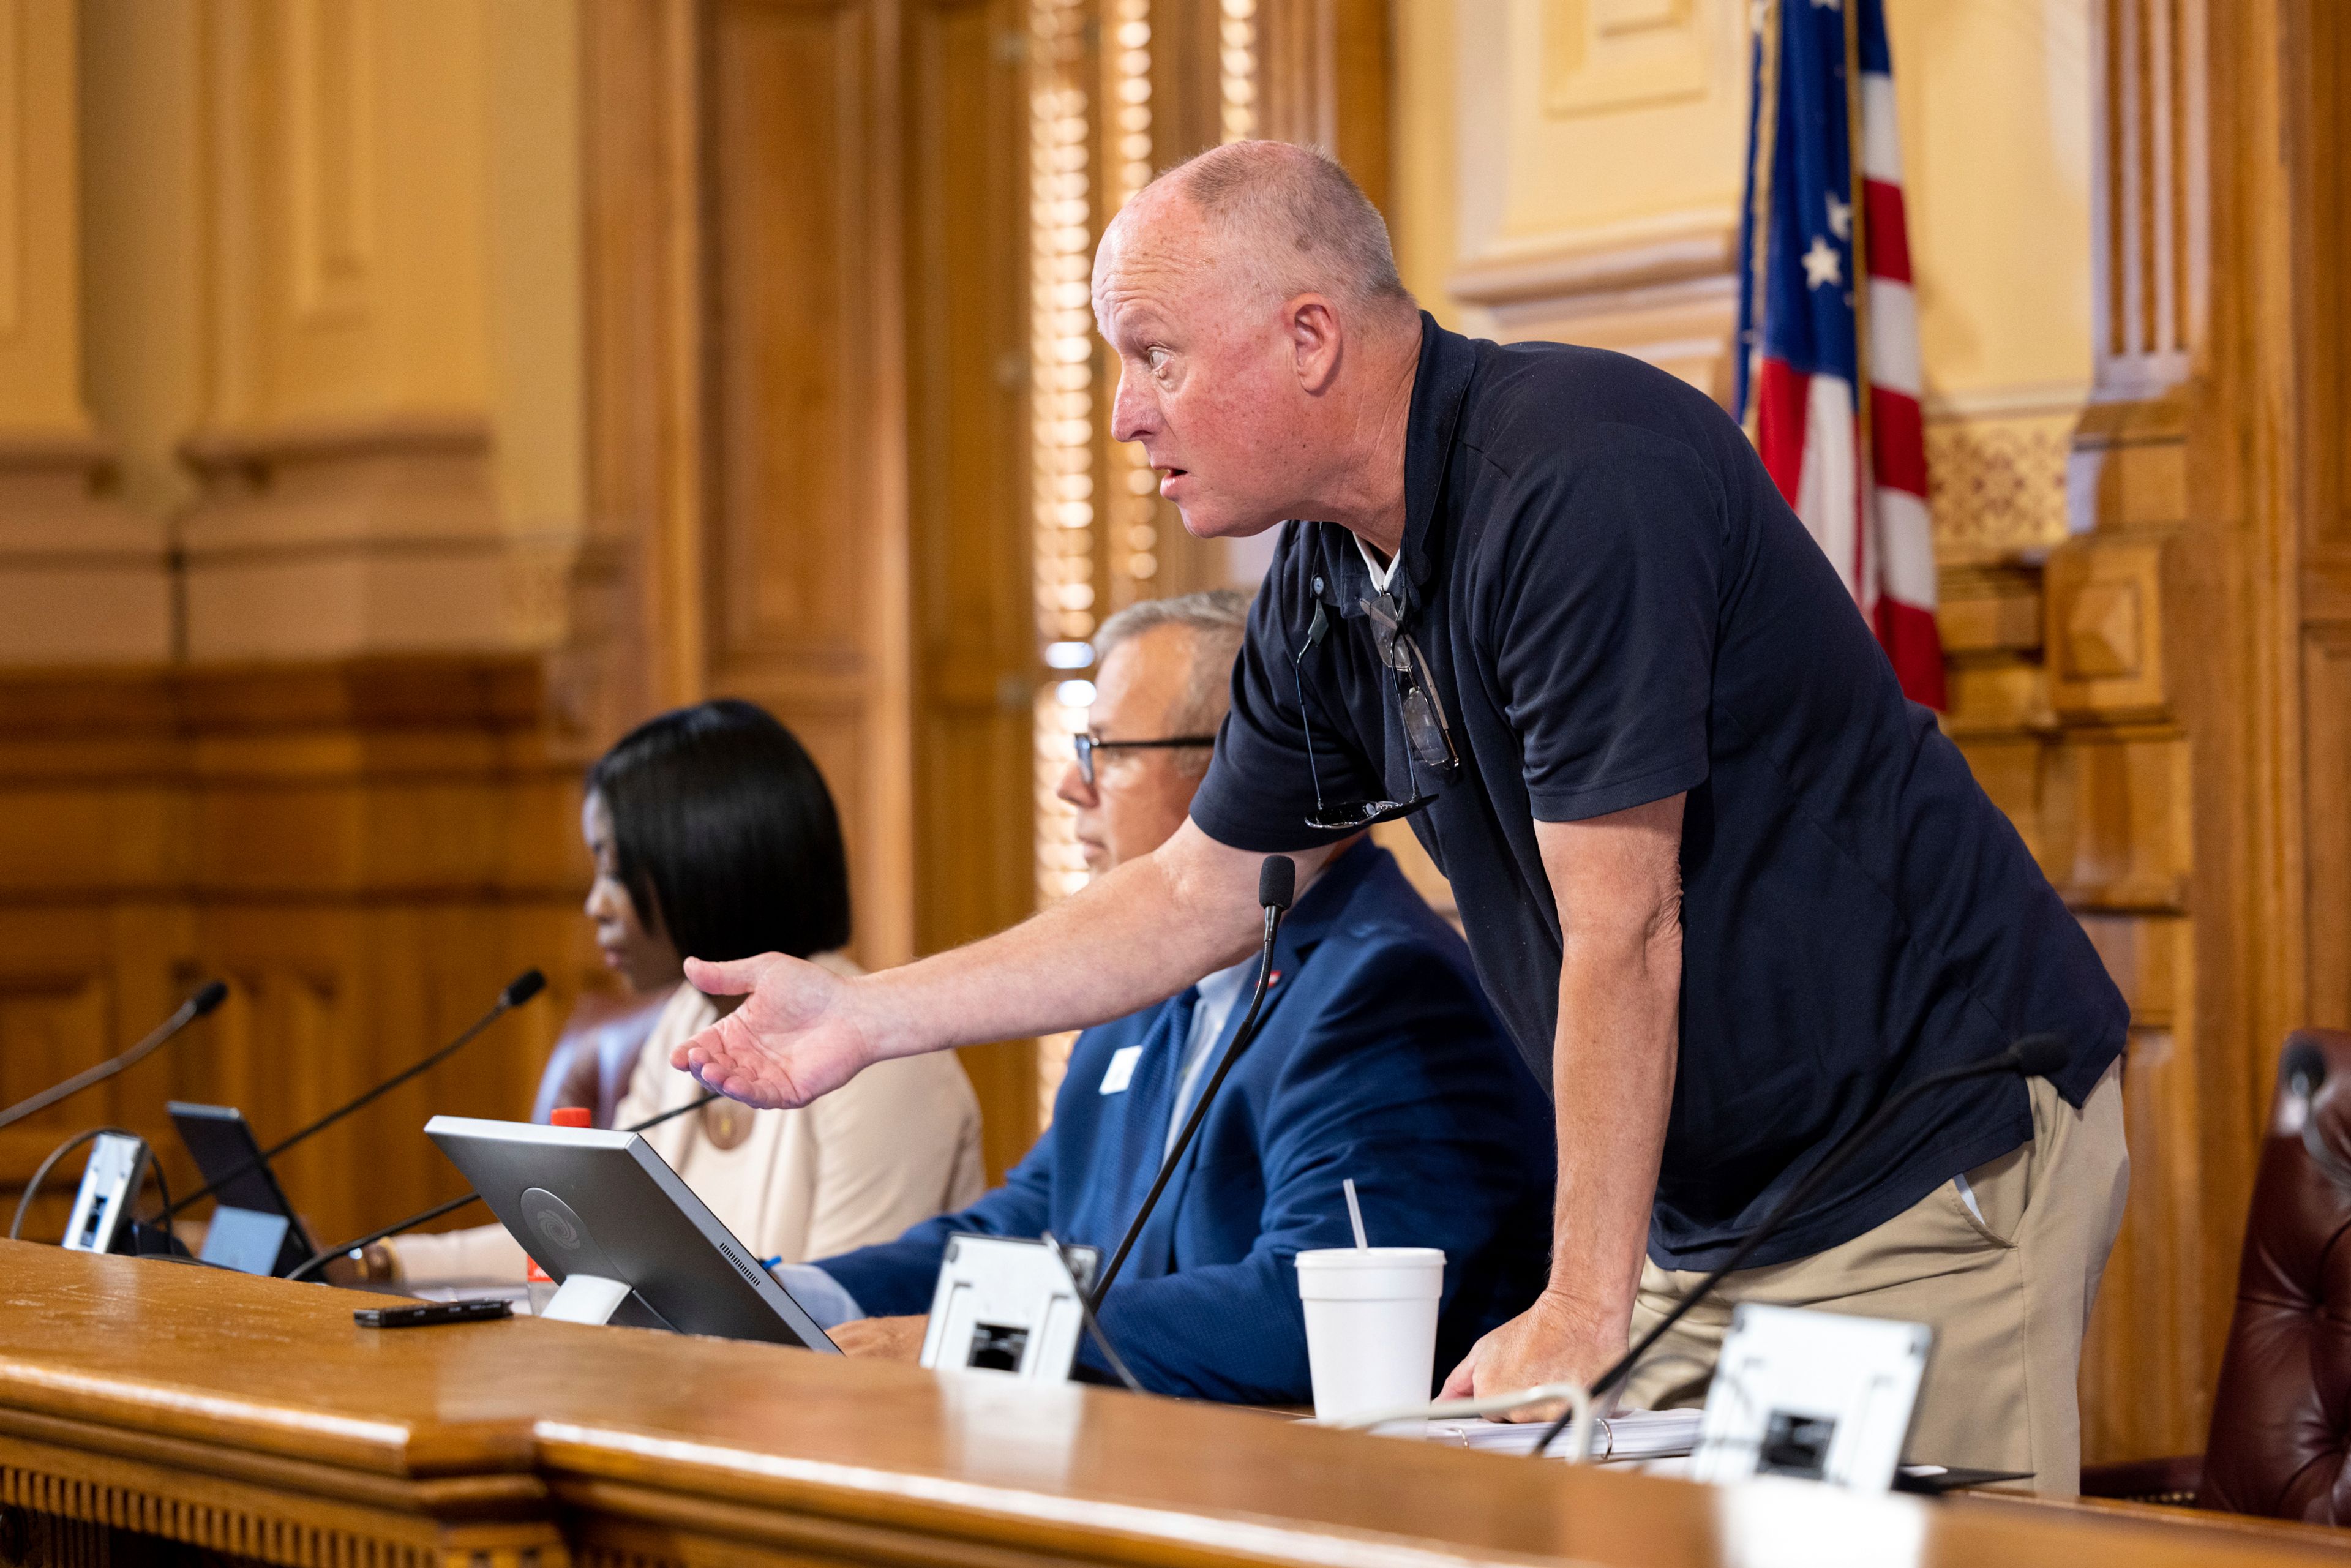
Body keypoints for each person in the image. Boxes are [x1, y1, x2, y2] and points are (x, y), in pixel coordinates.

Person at [673, 144, 2128, 1492]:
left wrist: (1577, 1300)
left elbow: (1624, 925)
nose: (1125, 412)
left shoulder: (1574, 480)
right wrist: (863, 1018)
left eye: (1154, 356)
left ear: (1309, 338)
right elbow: (1194, 895)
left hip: (1924, 1157)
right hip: (1710, 1215)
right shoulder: (1322, 572)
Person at [774, 591, 1553, 1404]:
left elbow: (1303, 1316)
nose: (1072, 788)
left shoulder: (1385, 990)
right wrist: (803, 1299)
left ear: (1243, 767)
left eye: (1104, 750)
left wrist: (972, 1338)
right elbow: (1030, 1227)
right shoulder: (1141, 984)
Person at [361, 700, 984, 1287]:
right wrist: (380, 1265)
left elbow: (839, 1326)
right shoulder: (686, 1018)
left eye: (614, 867)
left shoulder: (879, 1057)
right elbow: (586, 1238)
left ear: (703, 860)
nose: (594, 904)